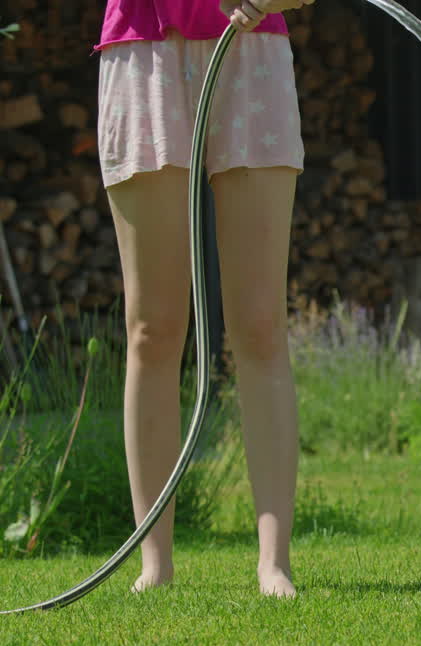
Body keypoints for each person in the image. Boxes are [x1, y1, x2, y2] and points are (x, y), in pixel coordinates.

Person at [96, 0, 315, 597]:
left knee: (260, 325)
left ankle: (275, 564)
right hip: (142, 50)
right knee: (153, 327)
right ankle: (155, 565)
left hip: (253, 50)